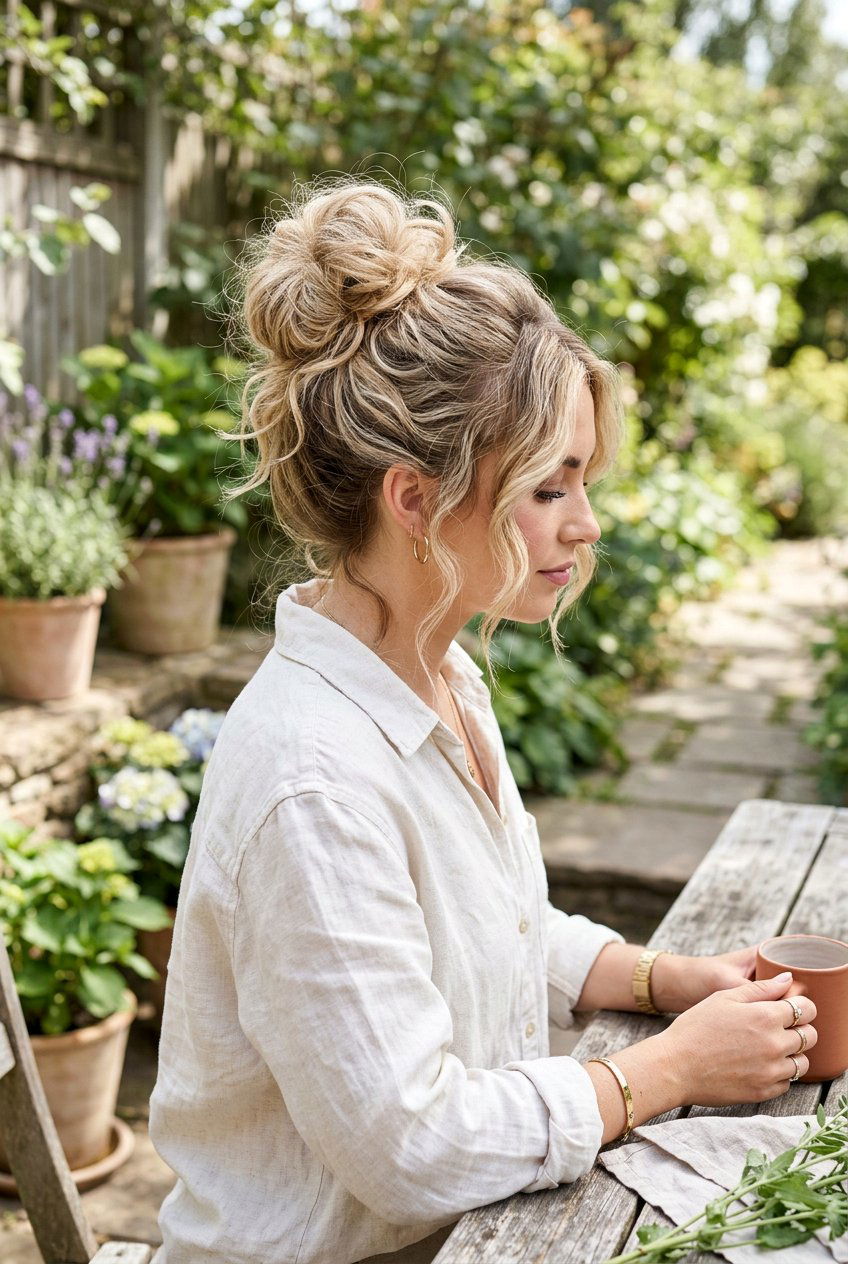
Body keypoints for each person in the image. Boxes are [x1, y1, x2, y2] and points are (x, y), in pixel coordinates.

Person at [148, 179, 818, 1264]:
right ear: (413, 498)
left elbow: (490, 931)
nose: (585, 524)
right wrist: (667, 1069)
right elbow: (410, 1147)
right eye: (548, 488)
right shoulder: (311, 781)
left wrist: (658, 979)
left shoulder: (436, 673)